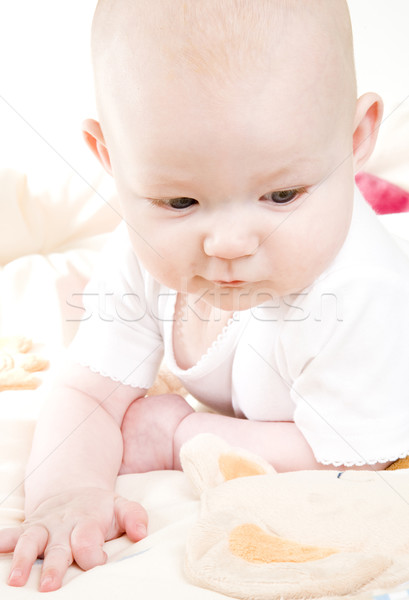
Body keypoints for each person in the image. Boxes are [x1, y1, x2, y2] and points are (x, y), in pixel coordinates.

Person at [2, 0, 409, 592]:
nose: (230, 243)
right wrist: (68, 489)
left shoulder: (366, 291)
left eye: (283, 194)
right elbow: (88, 390)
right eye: (180, 202)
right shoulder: (138, 245)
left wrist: (180, 435)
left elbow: (355, 454)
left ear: (355, 136)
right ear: (111, 161)